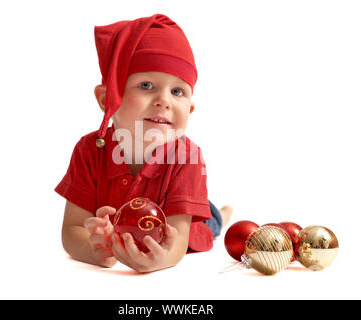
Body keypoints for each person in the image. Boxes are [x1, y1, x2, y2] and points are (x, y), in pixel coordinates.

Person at [55, 14, 232, 273]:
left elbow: (179, 242)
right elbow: (72, 230)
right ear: (107, 99)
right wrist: (95, 249)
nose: (164, 100)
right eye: (146, 85)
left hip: (183, 220)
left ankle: (222, 214)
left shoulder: (188, 156)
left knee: (209, 225)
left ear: (190, 109)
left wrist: (161, 259)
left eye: (177, 91)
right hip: (130, 226)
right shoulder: (89, 150)